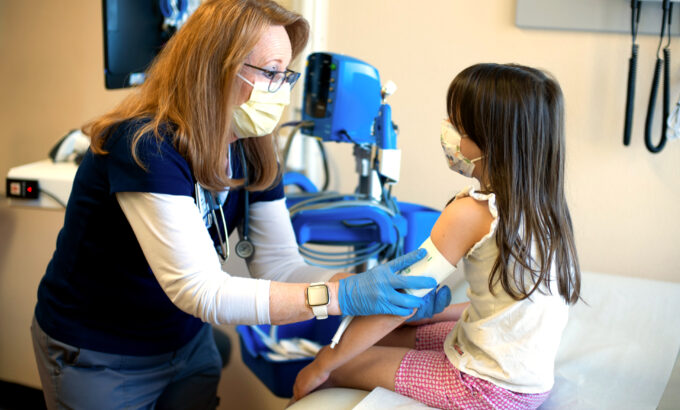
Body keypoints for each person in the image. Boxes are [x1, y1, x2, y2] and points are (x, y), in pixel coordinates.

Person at [30, 1, 450, 408]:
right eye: (269, 72)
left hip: (185, 341)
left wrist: (369, 285)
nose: (281, 90)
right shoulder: (146, 145)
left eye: (285, 75)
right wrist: (342, 295)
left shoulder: (250, 148)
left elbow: (280, 266)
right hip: (99, 352)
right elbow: (201, 290)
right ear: (214, 68)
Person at [292, 63, 582, 409]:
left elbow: (397, 304)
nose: (448, 133)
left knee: (342, 366)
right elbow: (507, 306)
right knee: (393, 336)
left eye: (458, 126)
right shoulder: (545, 209)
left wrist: (321, 365)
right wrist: (436, 314)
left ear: (490, 138)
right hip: (523, 379)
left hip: (486, 389)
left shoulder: (473, 213)